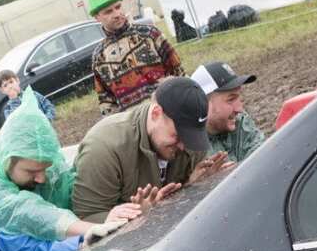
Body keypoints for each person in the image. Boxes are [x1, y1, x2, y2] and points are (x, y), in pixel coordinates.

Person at [0, 87, 134, 243]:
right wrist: (89, 229)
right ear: (8, 159)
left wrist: (113, 214)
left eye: (45, 169)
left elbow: (74, 191)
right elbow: (26, 212)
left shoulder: (45, 165)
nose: (42, 178)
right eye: (32, 171)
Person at [72, 77, 231, 222]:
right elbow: (86, 218)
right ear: (156, 113)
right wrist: (136, 216)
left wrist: (195, 186)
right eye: (179, 136)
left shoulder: (188, 142)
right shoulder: (104, 147)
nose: (184, 146)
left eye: (191, 138)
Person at [88, 0, 184, 116]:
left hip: (169, 114)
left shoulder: (150, 34)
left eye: (118, 7)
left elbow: (179, 72)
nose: (117, 14)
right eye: (108, 11)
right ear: (97, 17)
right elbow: (106, 102)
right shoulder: (99, 57)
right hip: (136, 129)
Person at [190, 62, 266, 163]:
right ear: (203, 104)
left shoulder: (240, 121)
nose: (239, 108)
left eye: (239, 97)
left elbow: (263, 158)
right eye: (231, 99)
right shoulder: (186, 146)